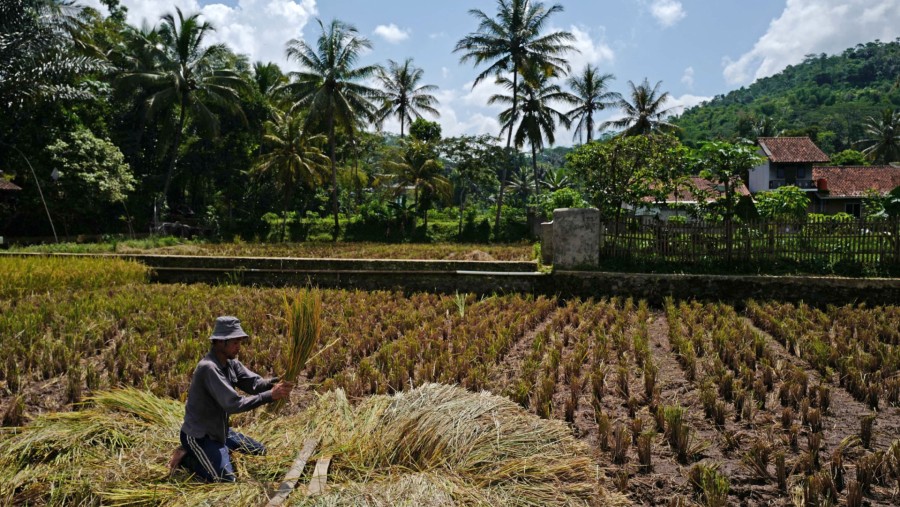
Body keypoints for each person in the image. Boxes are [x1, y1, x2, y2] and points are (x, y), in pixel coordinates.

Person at [170, 315, 293, 482]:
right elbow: (234, 404)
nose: (239, 347)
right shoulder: (209, 368)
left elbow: (254, 384)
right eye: (235, 343)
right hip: (200, 436)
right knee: (226, 479)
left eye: (240, 342)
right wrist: (271, 395)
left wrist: (276, 382)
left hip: (221, 432)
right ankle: (187, 458)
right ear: (221, 342)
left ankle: (217, 451)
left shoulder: (231, 363)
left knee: (260, 451)